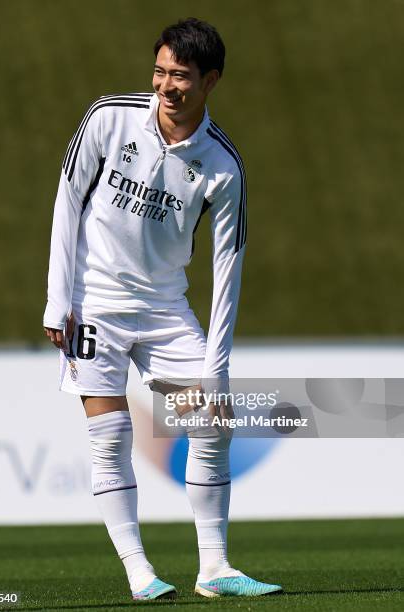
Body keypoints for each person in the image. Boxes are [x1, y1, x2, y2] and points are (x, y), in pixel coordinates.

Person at [43, 17, 282, 601]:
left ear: (210, 81)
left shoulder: (223, 166)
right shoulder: (110, 116)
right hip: (93, 302)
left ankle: (215, 568)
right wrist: (57, 299)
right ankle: (139, 571)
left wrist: (216, 364)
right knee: (110, 436)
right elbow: (68, 200)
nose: (166, 85)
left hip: (165, 309)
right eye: (160, 71)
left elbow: (228, 267)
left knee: (213, 419)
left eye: (180, 75)